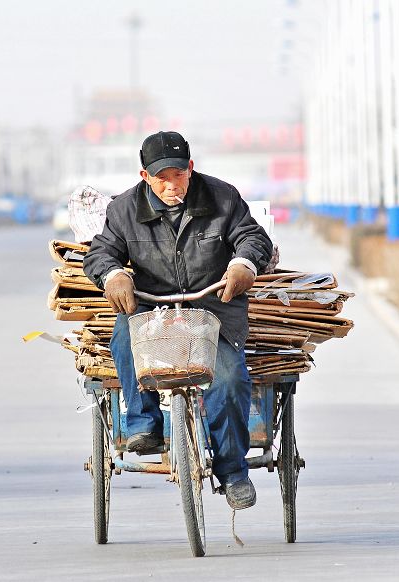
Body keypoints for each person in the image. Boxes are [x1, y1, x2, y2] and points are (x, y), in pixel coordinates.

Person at [83, 131, 273, 510]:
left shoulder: (223, 197)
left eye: (178, 175)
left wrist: (243, 264)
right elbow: (100, 253)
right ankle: (143, 424)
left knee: (231, 379)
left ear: (191, 167)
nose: (172, 185)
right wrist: (114, 276)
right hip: (152, 308)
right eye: (161, 177)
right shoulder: (123, 210)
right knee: (123, 337)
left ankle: (233, 472)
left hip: (213, 307)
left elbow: (253, 237)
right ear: (144, 176)